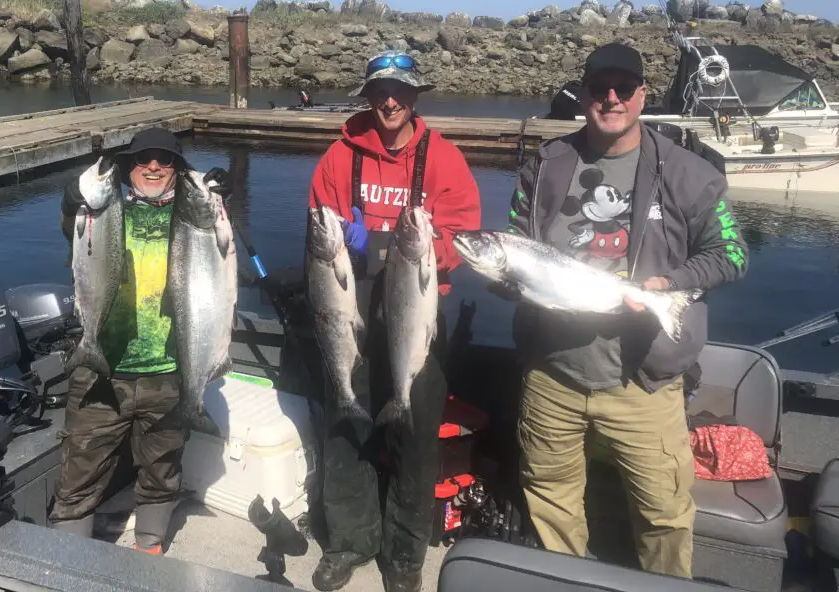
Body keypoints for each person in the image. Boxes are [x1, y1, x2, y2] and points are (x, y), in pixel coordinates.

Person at [497, 42, 749, 578]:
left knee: (663, 517)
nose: (610, 99)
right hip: (552, 376)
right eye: (598, 88)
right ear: (583, 94)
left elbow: (731, 254)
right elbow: (517, 240)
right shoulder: (544, 166)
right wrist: (503, 276)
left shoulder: (688, 172)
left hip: (645, 383)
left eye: (623, 88)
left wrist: (673, 283)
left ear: (642, 94)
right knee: (549, 498)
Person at [308, 50, 482, 592]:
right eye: (381, 90)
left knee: (415, 443)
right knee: (346, 431)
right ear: (368, 95)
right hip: (352, 313)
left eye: (400, 91)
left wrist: (386, 244)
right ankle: (349, 541)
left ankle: (404, 556)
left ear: (414, 98)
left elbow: (463, 239)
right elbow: (320, 234)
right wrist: (350, 245)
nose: (390, 100)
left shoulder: (446, 159)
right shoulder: (338, 157)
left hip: (417, 322)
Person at [48, 126, 228, 555]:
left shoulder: (192, 217)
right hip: (101, 368)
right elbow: (70, 219)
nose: (152, 167)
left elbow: (219, 254)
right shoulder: (105, 208)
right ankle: (68, 564)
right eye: (143, 159)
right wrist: (73, 197)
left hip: (169, 373)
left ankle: (150, 547)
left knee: (162, 467)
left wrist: (214, 199)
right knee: (80, 469)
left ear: (177, 170)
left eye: (164, 161)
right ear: (129, 166)